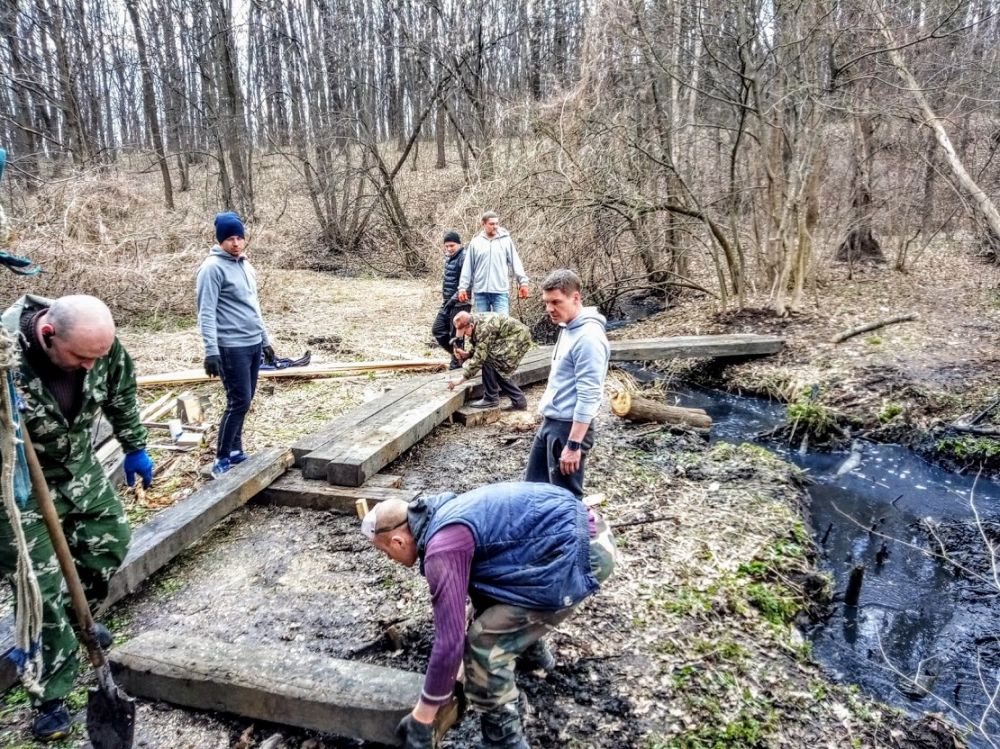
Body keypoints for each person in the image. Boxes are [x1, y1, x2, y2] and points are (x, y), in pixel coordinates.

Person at [0, 294, 153, 740]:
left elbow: (121, 390)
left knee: (110, 539)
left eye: (97, 357)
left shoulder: (99, 346)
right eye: (81, 358)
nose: (90, 367)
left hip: (77, 469)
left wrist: (134, 445)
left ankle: (74, 622)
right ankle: (50, 693)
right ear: (47, 335)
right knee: (40, 590)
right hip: (18, 486)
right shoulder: (5, 357)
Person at [363, 482, 616, 749]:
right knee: (488, 609)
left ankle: (504, 741)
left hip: (581, 553)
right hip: (584, 527)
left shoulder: (442, 548)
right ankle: (536, 661)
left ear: (397, 540)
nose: (389, 559)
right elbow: (479, 595)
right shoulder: (442, 512)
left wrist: (422, 718)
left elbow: (449, 643)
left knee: (483, 645)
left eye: (385, 552)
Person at [196, 211, 275, 477]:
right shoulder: (211, 269)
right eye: (230, 238)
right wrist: (211, 351)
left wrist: (265, 341)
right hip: (231, 347)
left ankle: (236, 451)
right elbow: (206, 312)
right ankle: (221, 457)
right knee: (238, 401)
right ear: (220, 240)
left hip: (252, 343)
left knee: (246, 400)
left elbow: (254, 307)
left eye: (240, 237)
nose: (236, 243)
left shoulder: (245, 266)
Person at [525, 269, 609, 498]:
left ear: (575, 298)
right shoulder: (568, 327)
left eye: (556, 302)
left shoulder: (588, 337)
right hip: (551, 422)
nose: (549, 309)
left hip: (568, 428)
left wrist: (573, 446)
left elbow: (590, 395)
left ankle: (573, 533)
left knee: (565, 499)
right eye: (546, 302)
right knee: (533, 491)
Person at [447, 311, 531, 410]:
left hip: (517, 337)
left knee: (490, 361)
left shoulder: (484, 328)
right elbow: (481, 344)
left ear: (471, 325)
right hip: (506, 338)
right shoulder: (475, 322)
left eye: (465, 332)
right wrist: (468, 354)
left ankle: (491, 398)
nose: (465, 335)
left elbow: (480, 357)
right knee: (496, 367)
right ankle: (519, 401)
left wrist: (461, 379)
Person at [457, 211, 529, 315]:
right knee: (481, 327)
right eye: (491, 224)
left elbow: (516, 262)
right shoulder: (475, 243)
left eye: (497, 223)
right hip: (480, 292)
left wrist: (523, 282)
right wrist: (462, 288)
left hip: (500, 292)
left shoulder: (505, 241)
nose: (495, 226)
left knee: (503, 325)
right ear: (483, 224)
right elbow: (467, 267)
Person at [430, 231, 472, 370]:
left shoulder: (464, 257)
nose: (449, 249)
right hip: (448, 301)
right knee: (438, 329)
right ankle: (459, 356)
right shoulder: (449, 258)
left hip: (460, 302)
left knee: (456, 335)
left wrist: (453, 300)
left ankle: (456, 366)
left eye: (452, 245)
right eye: (446, 246)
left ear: (459, 244)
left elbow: (468, 283)